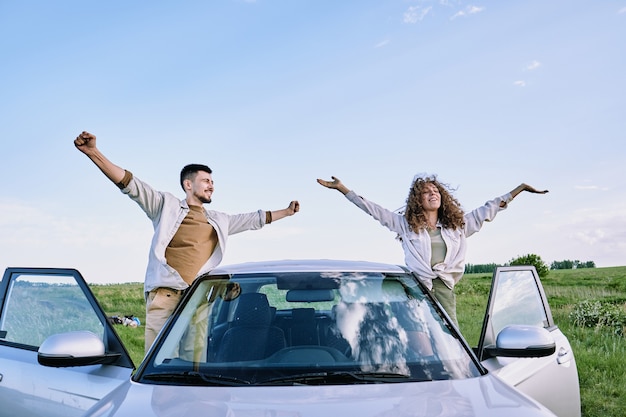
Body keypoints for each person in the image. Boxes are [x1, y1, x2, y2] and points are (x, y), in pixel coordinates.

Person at [75, 131, 300, 351]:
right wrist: (94, 153)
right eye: (205, 181)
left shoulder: (219, 221)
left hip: (198, 301)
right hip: (165, 297)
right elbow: (130, 184)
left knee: (194, 365)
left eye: (212, 181)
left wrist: (287, 212)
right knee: (160, 362)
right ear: (188, 184)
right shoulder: (165, 206)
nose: (211, 185)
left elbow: (254, 219)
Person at [317, 174, 547, 327]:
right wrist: (343, 189)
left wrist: (519, 189)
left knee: (449, 331)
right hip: (415, 286)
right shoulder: (405, 226)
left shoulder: (456, 227)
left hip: (443, 286)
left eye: (435, 190)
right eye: (426, 192)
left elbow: (487, 210)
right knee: (416, 330)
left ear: (442, 197)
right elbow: (373, 210)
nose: (433, 193)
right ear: (418, 200)